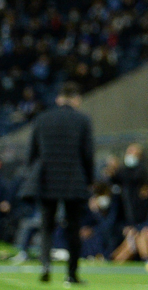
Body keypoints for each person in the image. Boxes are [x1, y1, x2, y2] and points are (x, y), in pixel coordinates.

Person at [23, 81, 93, 284]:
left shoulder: (42, 119)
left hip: (47, 179)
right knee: (73, 228)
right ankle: (71, 274)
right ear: (76, 99)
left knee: (46, 226)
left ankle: (45, 265)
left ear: (58, 98)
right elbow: (87, 155)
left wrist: (32, 175)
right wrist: (88, 180)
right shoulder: (82, 120)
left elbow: (31, 154)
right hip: (73, 179)